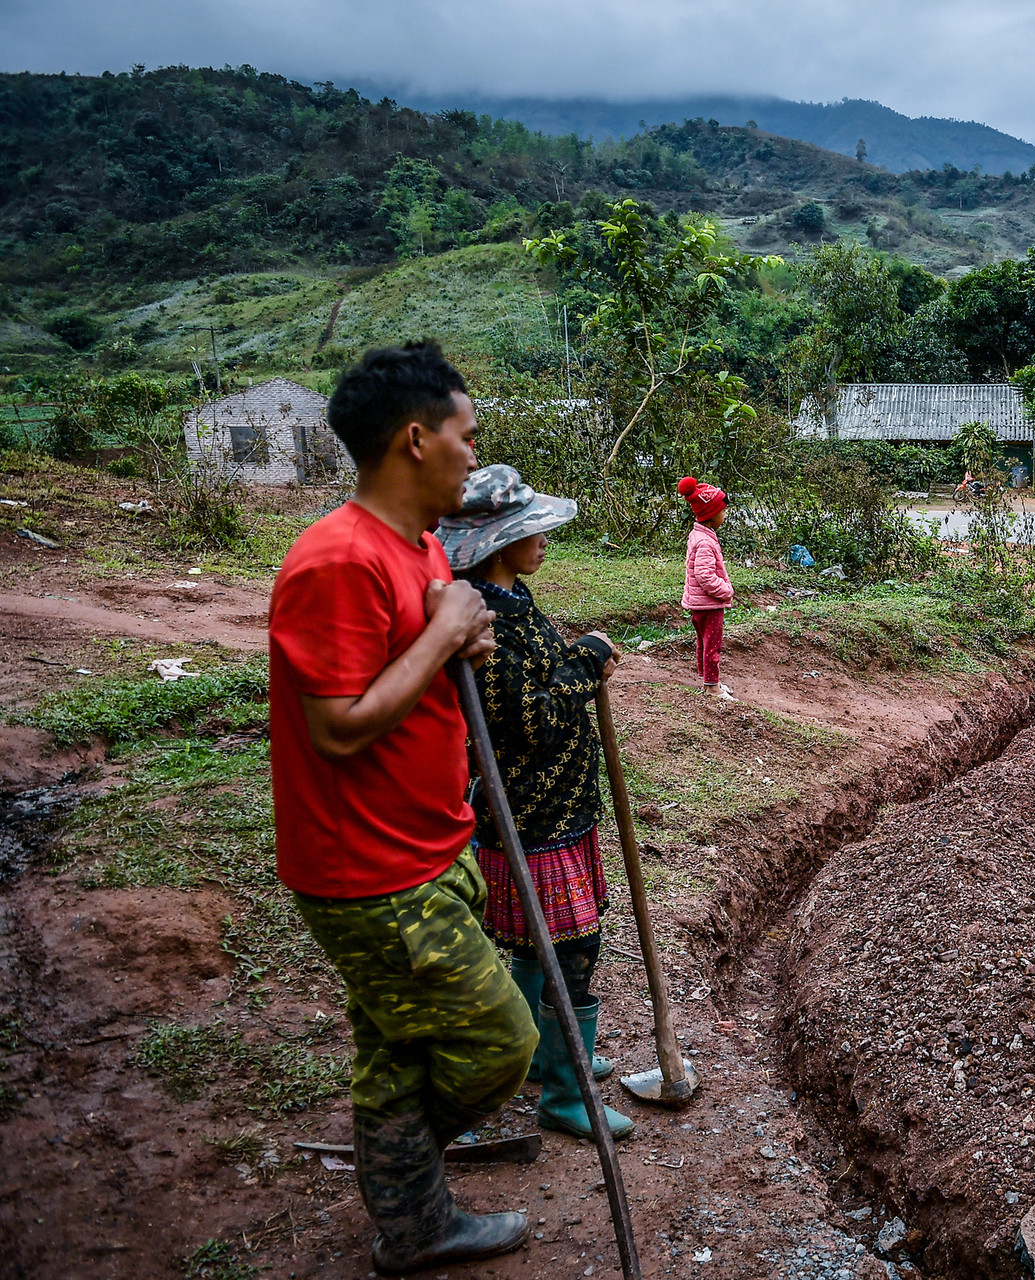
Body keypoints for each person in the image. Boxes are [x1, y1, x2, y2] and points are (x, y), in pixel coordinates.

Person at [268, 341, 532, 1273]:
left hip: (427, 846)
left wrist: (458, 638)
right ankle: (402, 1173)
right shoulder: (335, 561)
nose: (475, 452)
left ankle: (416, 1229)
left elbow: (413, 670)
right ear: (417, 440)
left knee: (394, 1045)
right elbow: (337, 728)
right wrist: (447, 632)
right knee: (502, 1042)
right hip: (372, 871)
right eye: (468, 436)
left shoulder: (415, 545)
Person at [437, 464, 634, 1142]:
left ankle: (545, 1056)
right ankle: (564, 1094)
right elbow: (534, 720)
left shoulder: (516, 602)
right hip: (532, 822)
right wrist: (586, 662)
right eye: (534, 530)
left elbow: (549, 679)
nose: (546, 538)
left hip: (560, 815)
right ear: (498, 545)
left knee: (535, 948)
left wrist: (575, 655)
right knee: (573, 951)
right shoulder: (484, 625)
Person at [680, 475, 736, 700]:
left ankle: (708, 680)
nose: (724, 514)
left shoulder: (699, 535)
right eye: (722, 510)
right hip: (708, 605)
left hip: (699, 604)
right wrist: (726, 591)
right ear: (711, 515)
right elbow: (704, 575)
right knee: (712, 646)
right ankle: (712, 688)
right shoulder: (705, 542)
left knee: (703, 643)